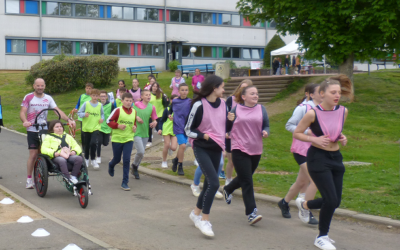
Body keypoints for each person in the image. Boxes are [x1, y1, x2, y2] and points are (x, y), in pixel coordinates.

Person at [293, 75, 351, 250]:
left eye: (339, 93)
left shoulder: (343, 111)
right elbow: (297, 133)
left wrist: (341, 136)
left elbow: (335, 129)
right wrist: (315, 140)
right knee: (330, 200)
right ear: (322, 93)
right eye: (333, 92)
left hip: (336, 158)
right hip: (318, 158)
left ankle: (304, 204)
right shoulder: (312, 113)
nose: (337, 95)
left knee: (335, 201)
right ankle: (321, 236)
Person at [185, 75, 227, 237]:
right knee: (215, 183)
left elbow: (223, 126)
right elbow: (188, 130)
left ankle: (195, 213)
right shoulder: (198, 105)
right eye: (222, 87)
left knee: (209, 182)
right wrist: (203, 136)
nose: (224, 90)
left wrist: (232, 119)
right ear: (214, 88)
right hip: (202, 147)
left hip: (217, 148)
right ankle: (204, 220)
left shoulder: (223, 104)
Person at [223, 86, 270, 225]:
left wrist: (265, 132)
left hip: (256, 149)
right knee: (247, 181)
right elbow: (226, 128)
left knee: (246, 177)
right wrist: (229, 120)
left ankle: (228, 188)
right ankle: (251, 212)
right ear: (243, 97)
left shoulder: (261, 109)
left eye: (257, 93)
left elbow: (266, 125)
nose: (256, 95)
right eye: (252, 93)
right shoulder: (235, 109)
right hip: (239, 148)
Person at [278, 83, 322, 224]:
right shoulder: (303, 109)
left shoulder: (322, 110)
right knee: (315, 180)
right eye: (320, 92)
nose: (323, 94)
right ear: (310, 94)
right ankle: (306, 211)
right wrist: (307, 132)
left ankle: (284, 203)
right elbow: (289, 125)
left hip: (315, 150)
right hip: (301, 150)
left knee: (302, 181)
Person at [20, 78, 75, 189]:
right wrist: (25, 121)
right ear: (34, 86)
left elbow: (57, 110)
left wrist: (68, 120)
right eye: (38, 85)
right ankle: (29, 179)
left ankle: (43, 171)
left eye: (42, 85)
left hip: (44, 130)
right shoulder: (29, 97)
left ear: (45, 86)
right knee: (34, 154)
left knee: (45, 153)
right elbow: (22, 112)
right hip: (32, 129)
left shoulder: (48, 98)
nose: (40, 87)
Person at [107, 92, 137, 191]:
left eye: (130, 100)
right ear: (122, 101)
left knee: (127, 159)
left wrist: (134, 128)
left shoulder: (134, 111)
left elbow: (134, 124)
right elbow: (108, 121)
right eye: (127, 100)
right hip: (117, 139)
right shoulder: (118, 110)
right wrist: (118, 126)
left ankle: (125, 182)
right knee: (117, 159)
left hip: (129, 138)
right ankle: (111, 164)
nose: (129, 102)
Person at [225, 79, 253, 185]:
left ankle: (239, 181)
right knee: (231, 160)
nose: (242, 89)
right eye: (241, 86)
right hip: (231, 134)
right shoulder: (230, 100)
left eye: (245, 88)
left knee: (242, 161)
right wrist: (226, 131)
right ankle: (228, 180)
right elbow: (224, 117)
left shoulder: (251, 104)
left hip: (244, 135)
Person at [131, 90, 158, 179]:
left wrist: (154, 122)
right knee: (141, 151)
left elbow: (154, 119)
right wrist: (136, 117)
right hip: (137, 131)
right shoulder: (136, 105)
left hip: (145, 132)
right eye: (146, 95)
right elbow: (129, 113)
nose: (148, 96)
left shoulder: (152, 107)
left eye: (149, 95)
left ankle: (135, 167)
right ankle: (134, 166)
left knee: (141, 154)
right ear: (142, 97)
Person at [77, 89, 104, 169]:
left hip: (96, 127)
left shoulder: (100, 105)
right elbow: (79, 113)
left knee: (93, 143)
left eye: (96, 96)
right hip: (86, 127)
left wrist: (102, 119)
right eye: (93, 95)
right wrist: (84, 114)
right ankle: (86, 159)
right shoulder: (86, 104)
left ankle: (93, 159)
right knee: (87, 144)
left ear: (98, 96)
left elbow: (102, 114)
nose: (95, 97)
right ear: (90, 96)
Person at [168, 83, 191, 175]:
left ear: (188, 91)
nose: (184, 92)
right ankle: (180, 166)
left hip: (187, 127)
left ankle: (176, 159)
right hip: (178, 126)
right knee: (183, 146)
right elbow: (170, 110)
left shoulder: (190, 102)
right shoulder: (175, 101)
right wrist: (169, 115)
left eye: (186, 90)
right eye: (182, 90)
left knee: (183, 146)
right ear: (178, 91)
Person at [158, 95, 179, 168]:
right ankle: (164, 161)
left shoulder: (180, 110)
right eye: (174, 100)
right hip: (166, 129)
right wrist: (160, 129)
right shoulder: (167, 109)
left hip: (175, 130)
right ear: (171, 100)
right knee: (166, 144)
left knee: (174, 148)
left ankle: (170, 148)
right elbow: (161, 120)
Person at [147, 82, 169, 147]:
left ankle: (165, 137)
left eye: (156, 86)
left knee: (158, 128)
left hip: (159, 113)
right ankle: (149, 141)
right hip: (150, 114)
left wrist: (167, 102)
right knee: (149, 127)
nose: (155, 88)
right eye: (153, 86)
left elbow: (165, 103)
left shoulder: (161, 94)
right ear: (151, 87)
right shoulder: (149, 94)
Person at [73, 83, 93, 150]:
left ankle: (89, 146)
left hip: (90, 117)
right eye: (87, 88)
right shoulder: (82, 96)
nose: (88, 90)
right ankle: (84, 147)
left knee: (89, 132)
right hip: (82, 117)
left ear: (92, 89)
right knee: (83, 132)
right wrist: (76, 108)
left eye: (89, 88)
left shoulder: (93, 97)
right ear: (85, 89)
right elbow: (78, 104)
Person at [96, 91, 114, 164]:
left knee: (105, 143)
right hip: (99, 126)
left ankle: (101, 145)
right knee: (99, 142)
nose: (103, 98)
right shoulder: (97, 105)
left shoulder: (110, 105)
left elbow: (114, 114)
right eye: (101, 96)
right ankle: (98, 157)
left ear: (106, 97)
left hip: (107, 127)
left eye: (104, 96)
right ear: (99, 97)